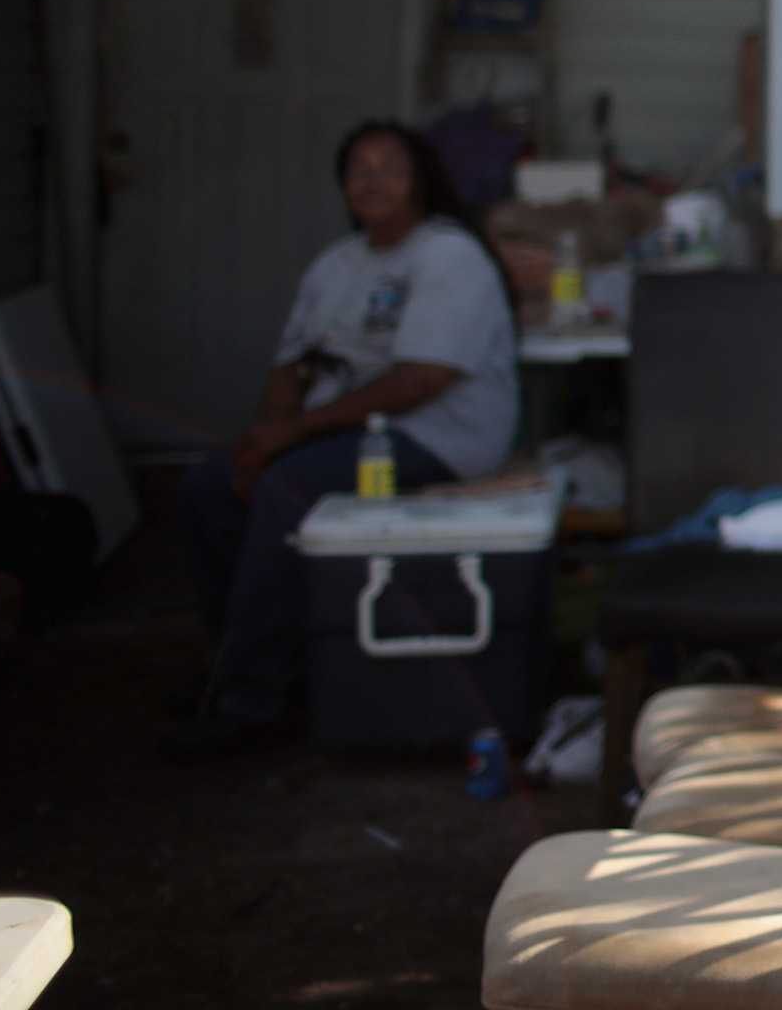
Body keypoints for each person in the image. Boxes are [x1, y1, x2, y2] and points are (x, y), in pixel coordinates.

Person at [164, 120, 519, 761]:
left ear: (421, 182)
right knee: (210, 487)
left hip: (436, 435)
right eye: (359, 169)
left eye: (391, 167)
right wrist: (263, 438)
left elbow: (420, 379)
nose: (374, 181)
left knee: (284, 492)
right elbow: (292, 368)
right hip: (346, 429)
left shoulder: (447, 254)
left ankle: (253, 702)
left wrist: (289, 439)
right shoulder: (337, 264)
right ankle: (242, 662)